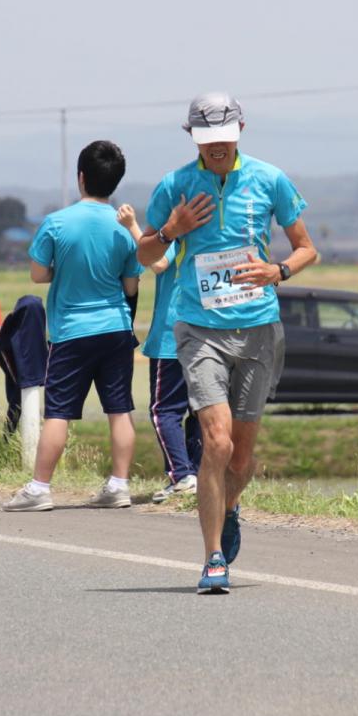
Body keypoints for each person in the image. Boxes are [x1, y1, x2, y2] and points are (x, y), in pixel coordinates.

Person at [136, 92, 317, 593]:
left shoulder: (269, 179)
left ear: (241, 130)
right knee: (215, 442)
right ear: (191, 138)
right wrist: (171, 230)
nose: (216, 148)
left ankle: (229, 508)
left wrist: (276, 270)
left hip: (258, 326)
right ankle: (213, 556)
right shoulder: (175, 185)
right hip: (197, 328)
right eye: (206, 141)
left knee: (240, 456)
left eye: (224, 139)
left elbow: (307, 249)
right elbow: (144, 252)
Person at [3, 140, 142, 512]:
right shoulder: (123, 229)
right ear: (114, 182)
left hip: (71, 331)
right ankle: (119, 485)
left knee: (59, 412)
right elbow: (131, 285)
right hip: (116, 327)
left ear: (80, 177)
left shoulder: (56, 223)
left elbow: (37, 274)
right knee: (119, 409)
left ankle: (39, 488)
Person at [117, 206, 202, 504]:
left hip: (172, 337)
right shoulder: (205, 234)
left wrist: (132, 226)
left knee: (163, 411)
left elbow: (158, 262)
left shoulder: (175, 232)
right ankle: (196, 474)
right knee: (199, 410)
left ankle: (182, 475)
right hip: (204, 335)